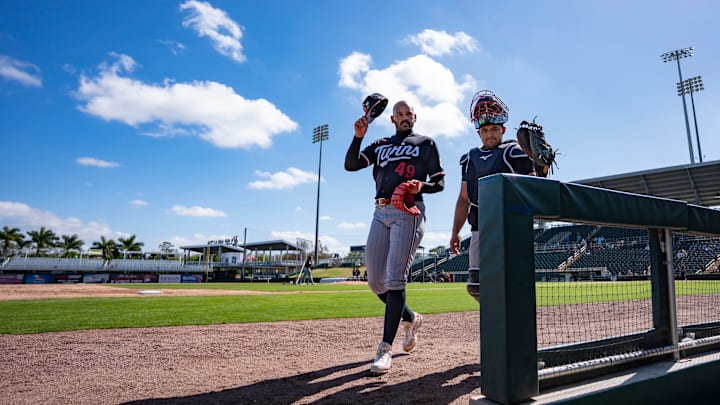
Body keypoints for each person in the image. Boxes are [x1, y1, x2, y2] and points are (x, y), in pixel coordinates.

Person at [345, 99, 446, 375]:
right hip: (380, 211)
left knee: (394, 279)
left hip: (408, 210)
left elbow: (439, 182)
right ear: (392, 119)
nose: (403, 117)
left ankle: (384, 349)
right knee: (376, 281)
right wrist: (358, 137)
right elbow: (351, 164)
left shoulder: (426, 143)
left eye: (407, 114)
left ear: (415, 116)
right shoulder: (381, 145)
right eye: (398, 114)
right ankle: (412, 318)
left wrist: (421, 185)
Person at [450, 90, 548, 303]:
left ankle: (511, 325)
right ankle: (499, 320)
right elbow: (464, 198)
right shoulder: (470, 158)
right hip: (479, 226)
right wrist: (455, 232)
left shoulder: (515, 151)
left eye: (494, 129)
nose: (490, 134)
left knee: (511, 280)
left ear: (503, 128)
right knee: (476, 287)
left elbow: (537, 185)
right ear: (478, 132)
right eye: (484, 130)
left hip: (509, 224)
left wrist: (541, 167)